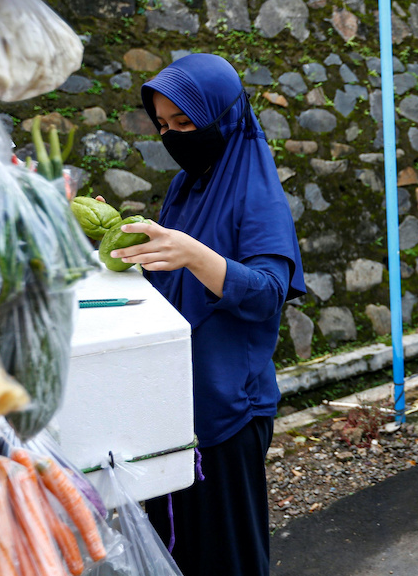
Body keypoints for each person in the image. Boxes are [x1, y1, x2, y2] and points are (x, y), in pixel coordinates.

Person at [108, 54, 306, 575]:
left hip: (226, 407)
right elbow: (166, 273)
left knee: (227, 556)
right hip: (174, 399)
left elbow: (268, 292)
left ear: (223, 117)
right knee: (178, 548)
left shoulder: (256, 195)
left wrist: (194, 253)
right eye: (163, 125)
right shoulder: (185, 185)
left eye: (185, 123)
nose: (172, 136)